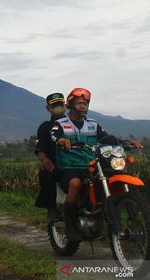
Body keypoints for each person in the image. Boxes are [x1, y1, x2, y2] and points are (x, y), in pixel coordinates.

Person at [50, 87, 143, 241]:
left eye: (85, 104)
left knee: (107, 179)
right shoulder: (60, 124)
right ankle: (71, 227)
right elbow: (54, 135)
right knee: (75, 184)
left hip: (91, 165)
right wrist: (61, 140)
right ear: (71, 105)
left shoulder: (93, 124)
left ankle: (101, 212)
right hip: (69, 167)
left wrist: (125, 142)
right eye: (79, 103)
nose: (83, 106)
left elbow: (107, 138)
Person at [34, 93, 66, 220]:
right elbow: (40, 150)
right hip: (56, 163)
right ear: (48, 108)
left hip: (75, 162)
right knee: (46, 174)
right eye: (54, 105)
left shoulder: (74, 124)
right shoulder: (45, 127)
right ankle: (53, 208)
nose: (58, 107)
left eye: (60, 104)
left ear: (65, 106)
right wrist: (47, 162)